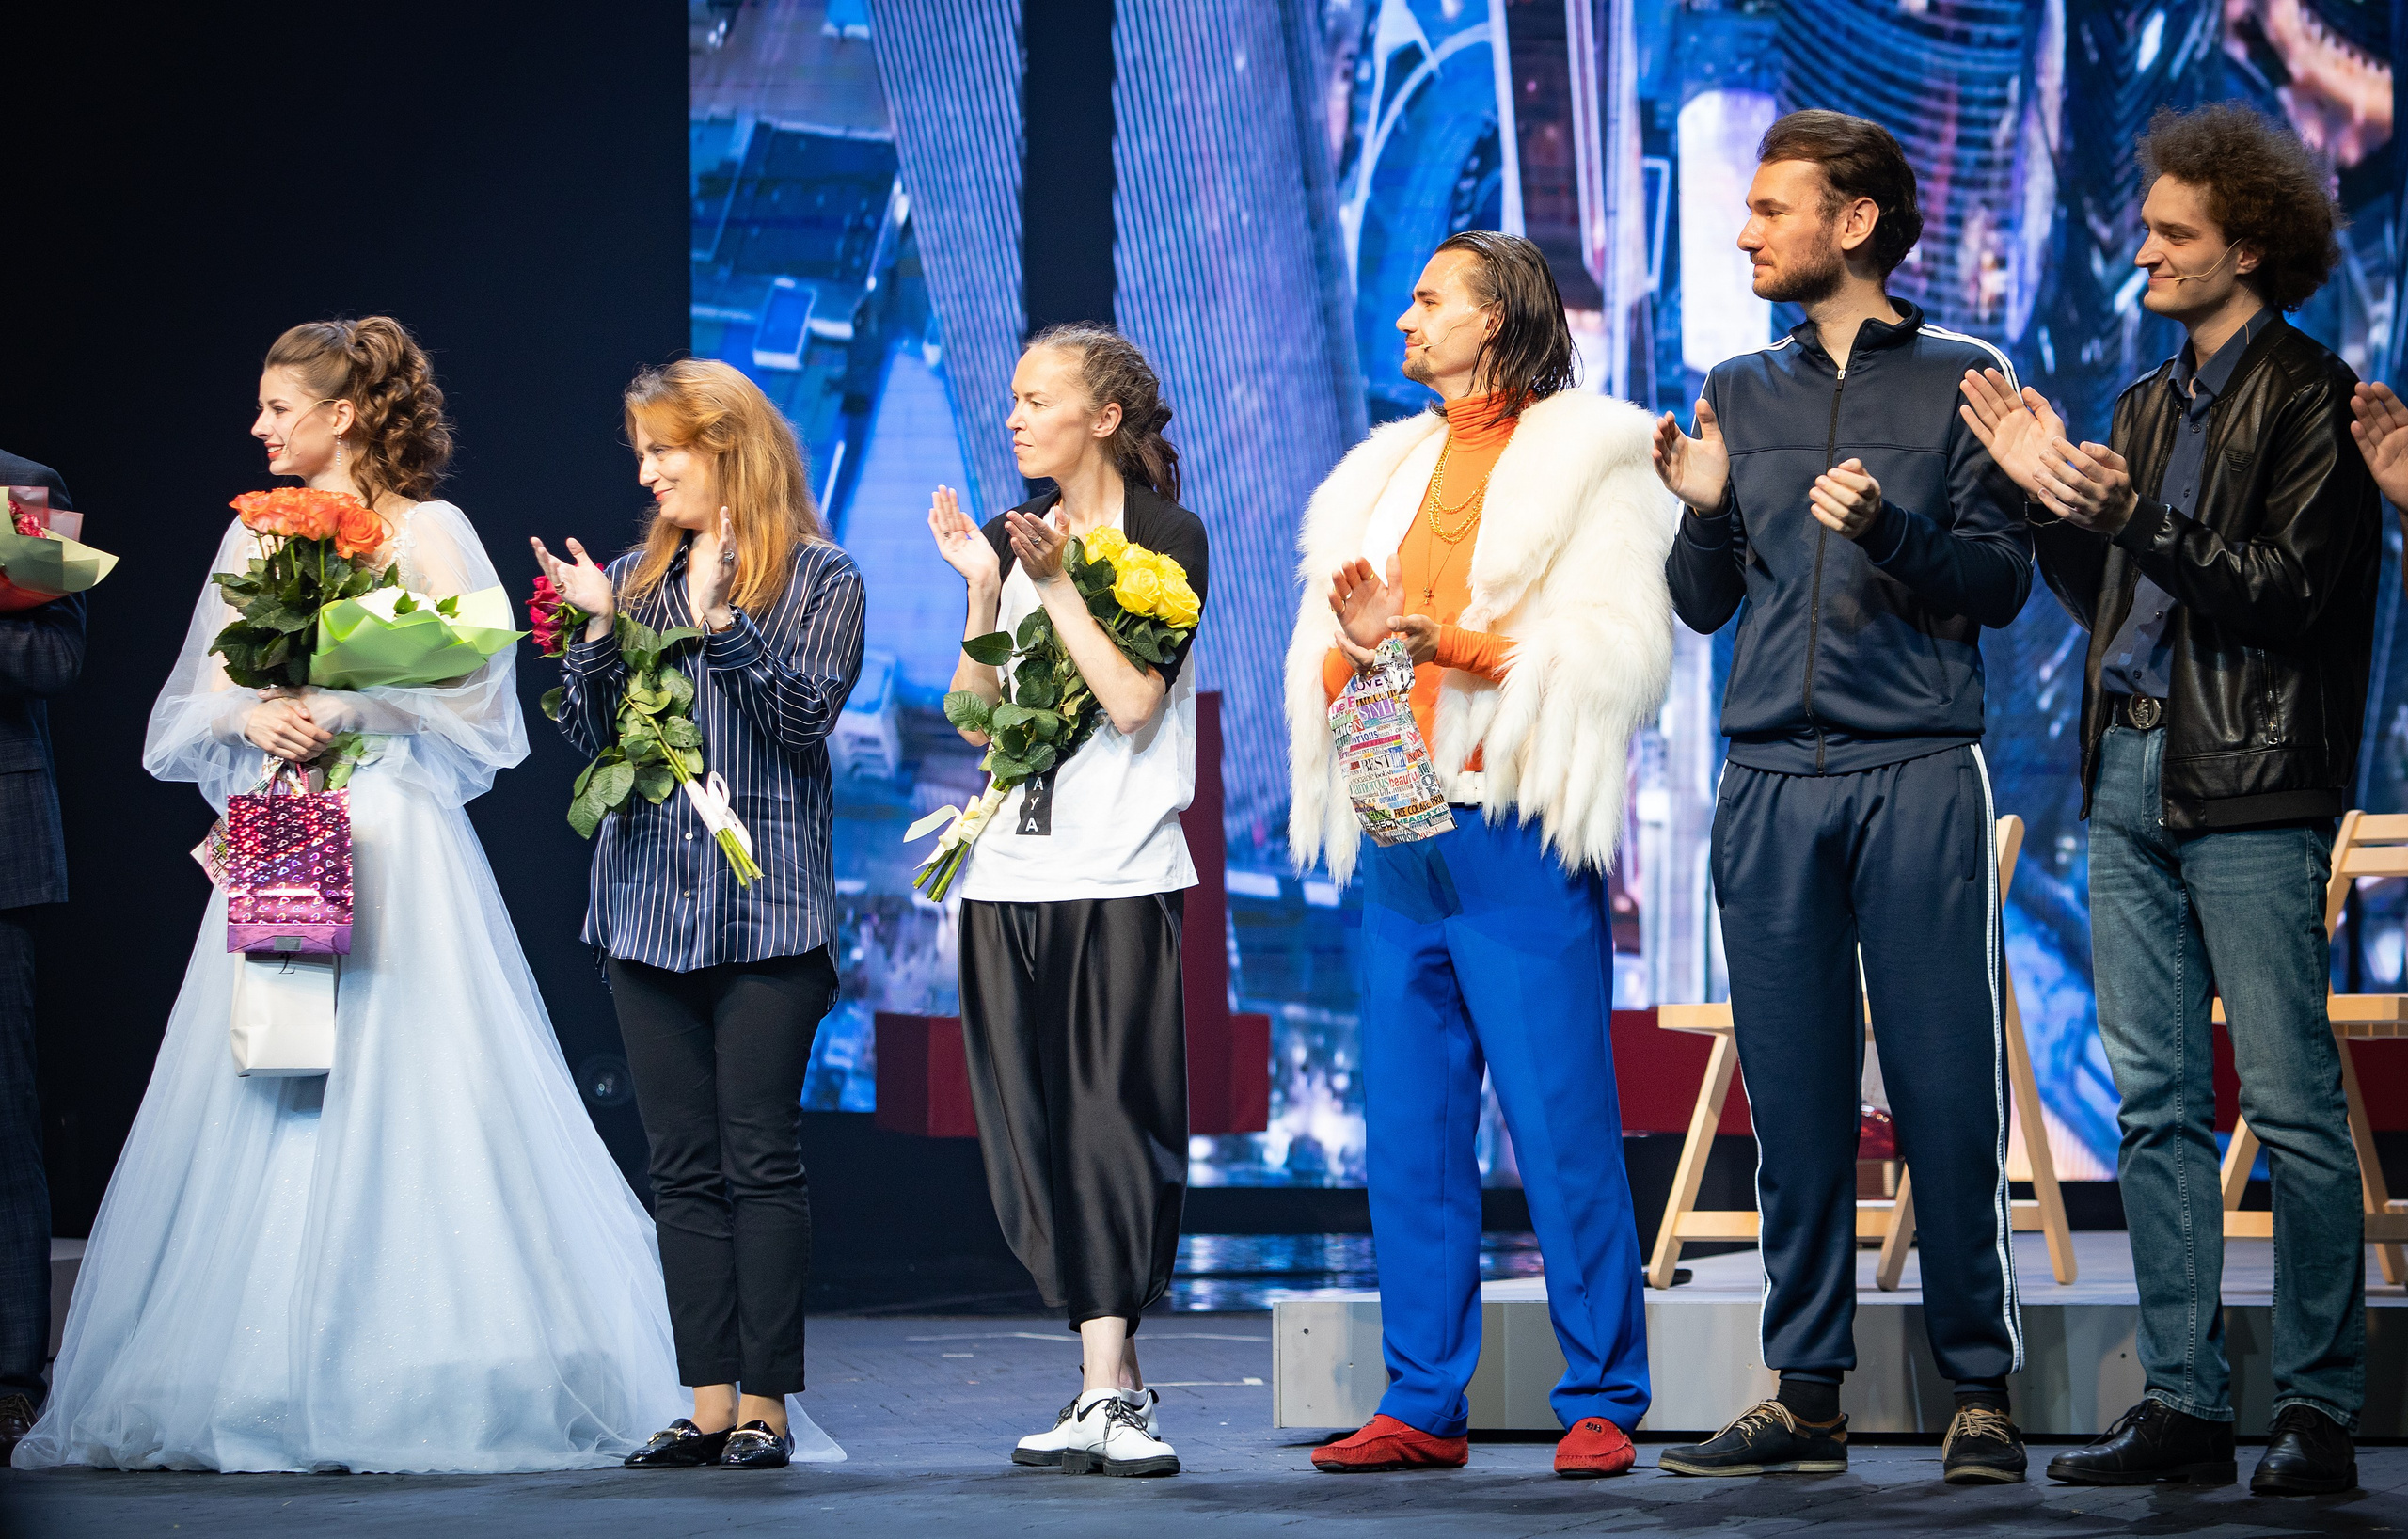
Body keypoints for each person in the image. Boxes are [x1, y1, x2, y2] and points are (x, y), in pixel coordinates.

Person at [14, 317, 685, 1473]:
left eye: (279, 406)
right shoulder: (253, 536)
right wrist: (251, 713)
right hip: (285, 834)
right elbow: (181, 715)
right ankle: (265, 1366)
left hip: (389, 835)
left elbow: (484, 708)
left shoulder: (431, 530)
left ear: (347, 413)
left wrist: (361, 704)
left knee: (415, 1081)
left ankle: (419, 1357)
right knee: (274, 1077)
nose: (259, 426)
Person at [1960, 103, 2376, 1498]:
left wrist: (2134, 517)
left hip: (2254, 776)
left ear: (2246, 250)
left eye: (2171, 233)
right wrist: (2043, 505)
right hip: (2127, 768)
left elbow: (2283, 596)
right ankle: (2189, 1397)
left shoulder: (2313, 397)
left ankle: (2317, 1405)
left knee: (2294, 1102)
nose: (2143, 251)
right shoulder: (2147, 404)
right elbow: (2115, 604)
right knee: (2151, 1105)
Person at [1655, 111, 2033, 1484]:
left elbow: (2001, 583)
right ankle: (1802, 1397)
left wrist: (1890, 528)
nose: (1746, 232)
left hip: (1918, 767)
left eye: (1771, 209)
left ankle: (1979, 1393)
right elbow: (1703, 606)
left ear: (1855, 221)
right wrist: (1702, 508)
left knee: (1947, 1094)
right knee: (1796, 1107)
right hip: (1767, 780)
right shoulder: (1735, 391)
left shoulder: (1962, 378)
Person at [1284, 231, 1670, 1480]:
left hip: (1509, 826)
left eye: (1430, 298)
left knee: (1559, 1126)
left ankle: (1605, 1393)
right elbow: (1340, 652)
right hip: (1398, 821)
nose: (1407, 318)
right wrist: (1367, 651)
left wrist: (1431, 635)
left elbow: (1607, 652)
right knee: (1408, 1129)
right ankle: (1420, 1398)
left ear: (1497, 316)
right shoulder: (1383, 471)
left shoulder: (1592, 459)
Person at [534, 357, 863, 1472]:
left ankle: (766, 1406)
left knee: (758, 1157)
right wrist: (592, 630)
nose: (646, 471)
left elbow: (802, 718)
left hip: (769, 917)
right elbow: (593, 739)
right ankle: (709, 1402)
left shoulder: (821, 578)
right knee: (678, 1162)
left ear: (724, 447)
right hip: (642, 914)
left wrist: (720, 619)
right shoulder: (631, 574)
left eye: (662, 450)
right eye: (643, 453)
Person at [924, 324, 1205, 1479]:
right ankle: (1108, 1382)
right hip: (1008, 872)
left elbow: (1136, 704)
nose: (1014, 416)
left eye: (1037, 398)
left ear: (1100, 416)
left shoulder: (1162, 535)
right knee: (1032, 1130)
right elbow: (973, 712)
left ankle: (1109, 1385)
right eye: (1011, 400)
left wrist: (1057, 586)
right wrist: (990, 590)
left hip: (1119, 867)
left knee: (1109, 1119)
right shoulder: (1011, 533)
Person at [0, 449, 83, 1464]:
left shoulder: (25, 484)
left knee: (4, 1127)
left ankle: (12, 1381)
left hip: (2, 855)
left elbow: (55, 660)